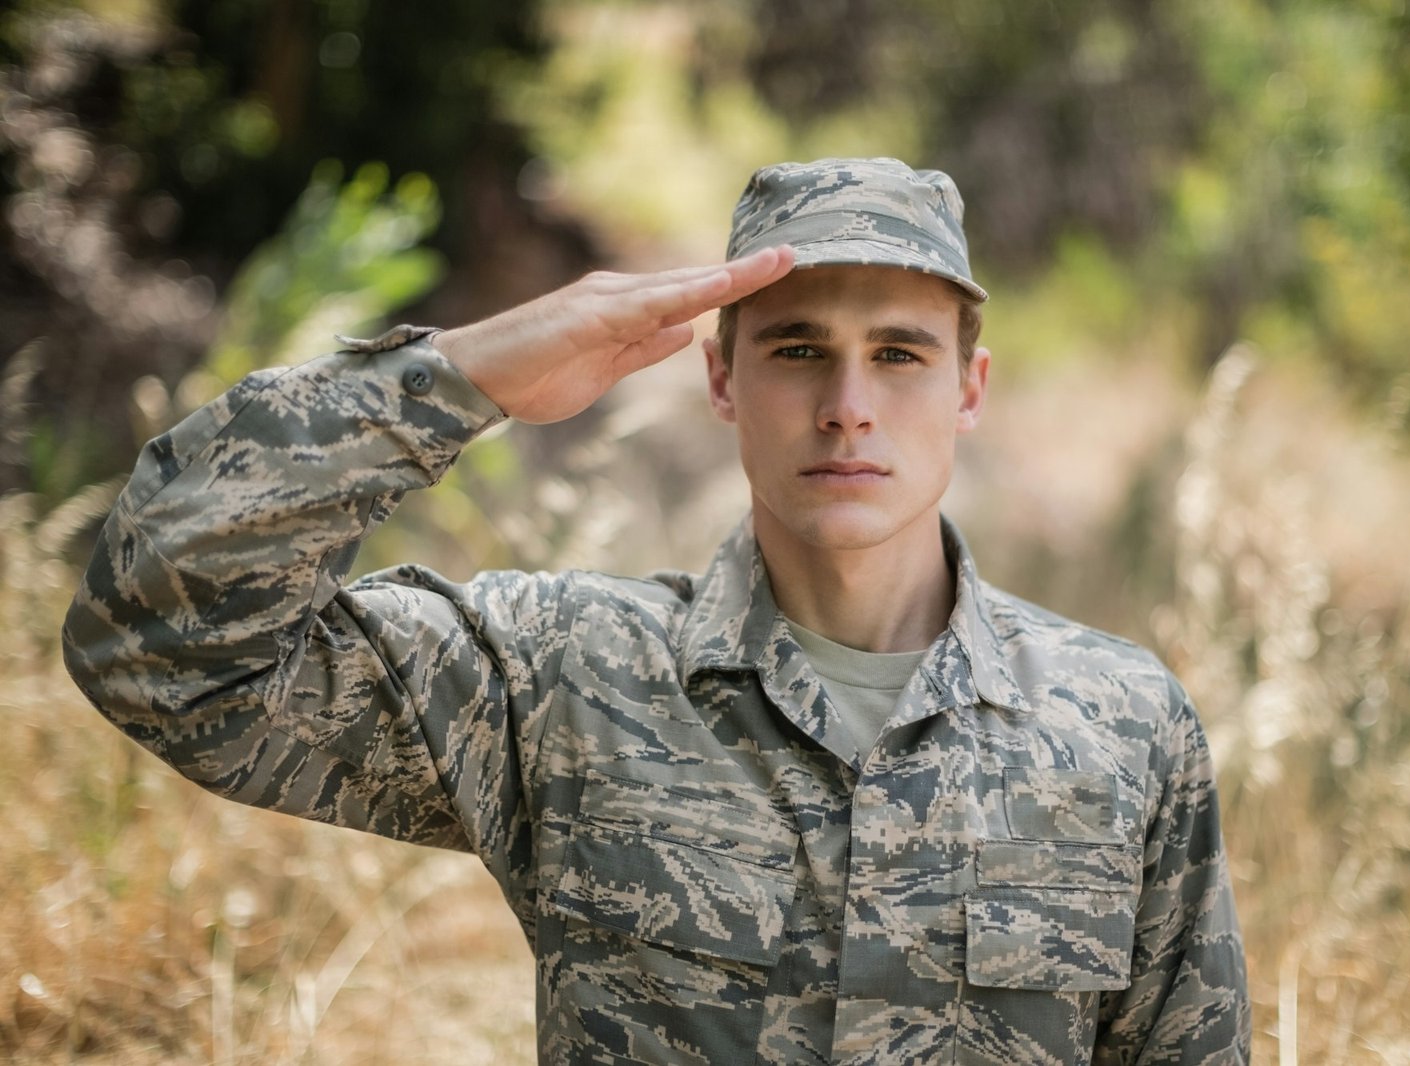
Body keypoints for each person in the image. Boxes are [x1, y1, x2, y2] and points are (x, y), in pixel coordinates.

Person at [63, 158, 1249, 1064]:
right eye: (796, 350)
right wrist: (461, 376)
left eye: (898, 355)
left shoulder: (1118, 723)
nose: (847, 406)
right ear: (722, 378)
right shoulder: (560, 675)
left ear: (967, 389)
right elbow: (162, 643)